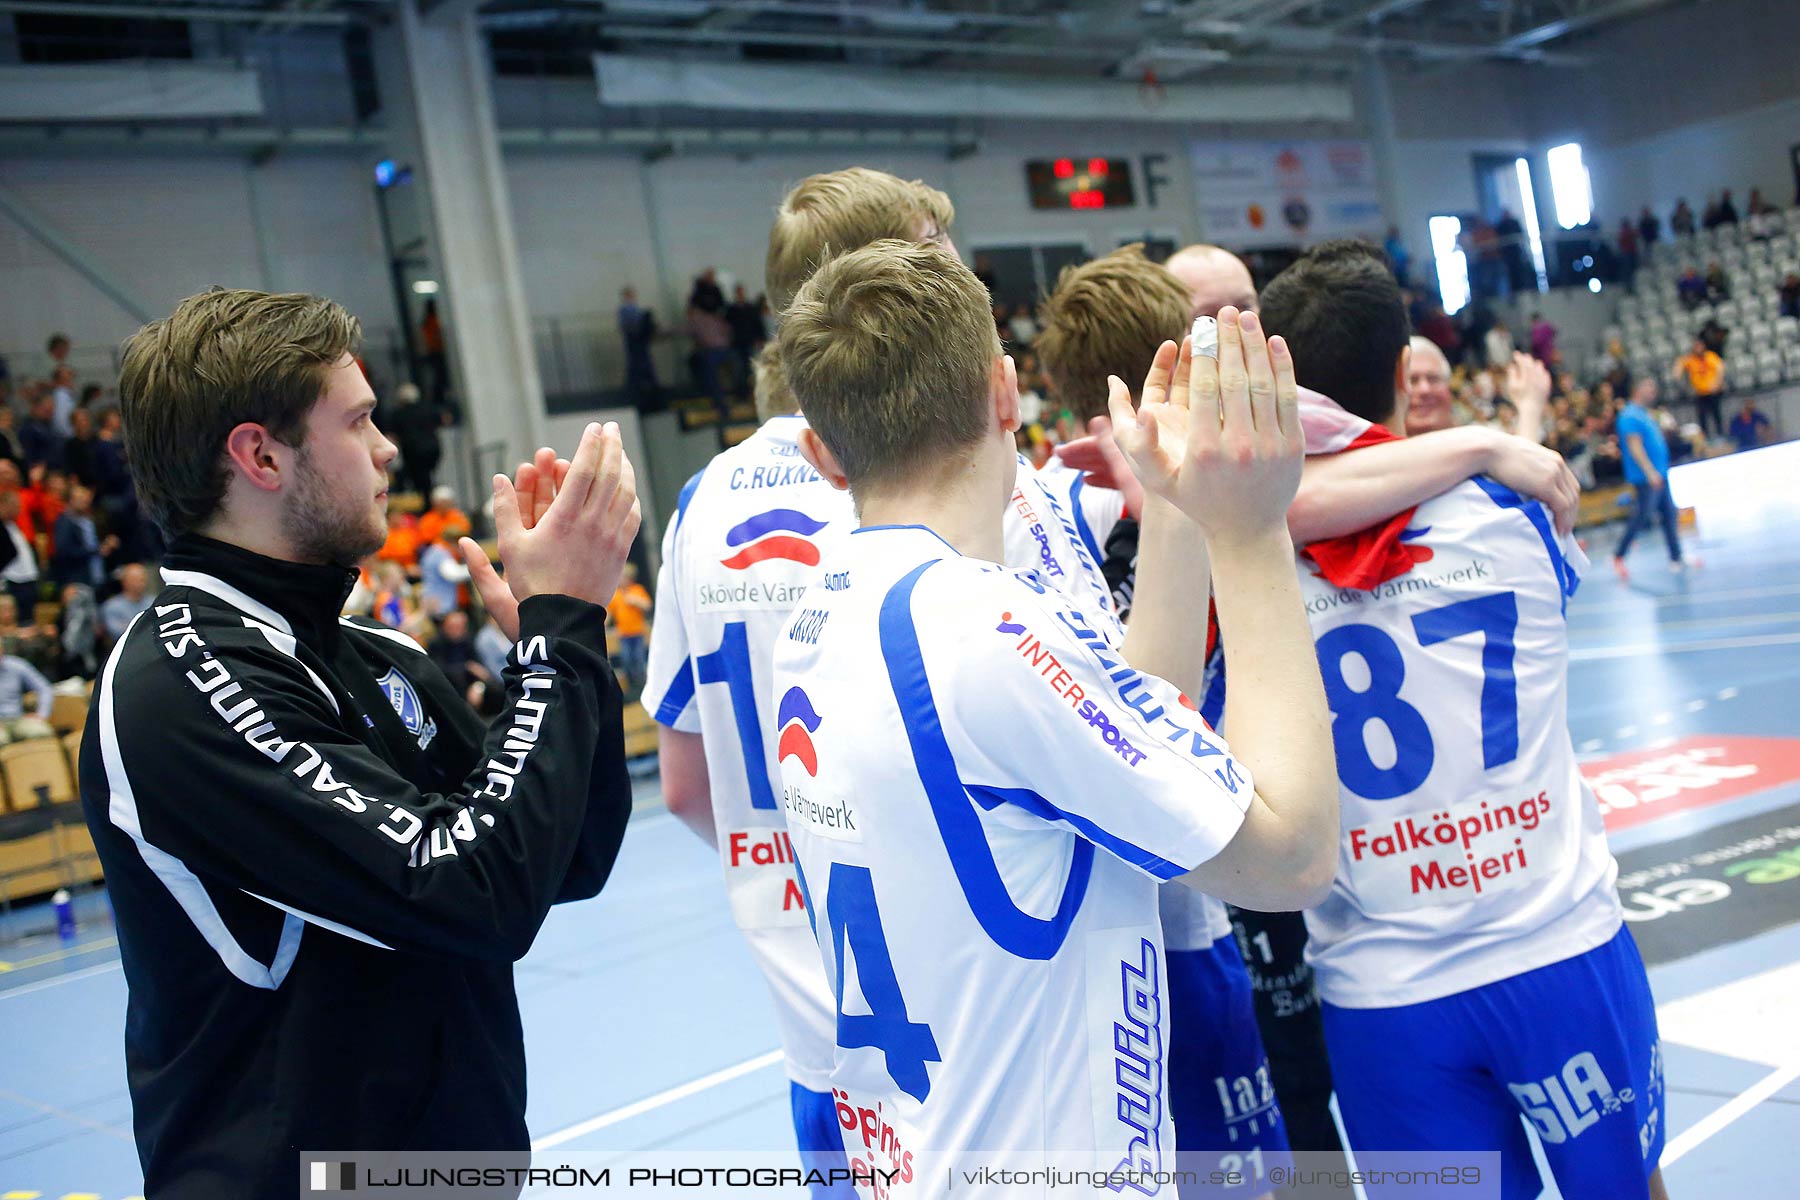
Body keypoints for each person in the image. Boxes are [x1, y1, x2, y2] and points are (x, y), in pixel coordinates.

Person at [774, 238, 1336, 1180]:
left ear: (822, 451)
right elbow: (1294, 857)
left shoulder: (817, 616)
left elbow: (1138, 729)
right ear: (1007, 394)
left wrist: (1176, 505)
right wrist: (1249, 529)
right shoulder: (980, 628)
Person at [82, 287, 640, 1199]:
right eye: (361, 421)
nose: (389, 449)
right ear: (260, 454)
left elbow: (570, 854)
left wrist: (568, 650)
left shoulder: (373, 652)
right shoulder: (179, 684)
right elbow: (468, 892)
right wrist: (557, 644)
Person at [645, 165, 1106, 1196]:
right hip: (1009, 1033)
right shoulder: (965, 480)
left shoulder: (702, 504)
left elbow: (684, 790)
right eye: (939, 258)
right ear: (884, 285)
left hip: (829, 1038)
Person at [1259, 240, 1670, 1200]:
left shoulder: (1240, 559)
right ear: (1406, 375)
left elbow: (1280, 515)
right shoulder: (1510, 509)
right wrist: (1497, 435)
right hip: (1559, 947)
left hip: (1384, 992)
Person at [1033, 245, 1295, 1195]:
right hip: (1188, 890)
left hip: (1121, 924)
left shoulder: (1039, 503)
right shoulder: (1108, 505)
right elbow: (1156, 704)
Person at [1614, 376, 1688, 579]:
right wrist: (1650, 472)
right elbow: (1635, 447)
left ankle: (1676, 557)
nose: (1653, 391)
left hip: (1660, 473)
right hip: (1647, 477)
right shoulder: (1629, 415)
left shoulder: (1646, 414)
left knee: (1669, 515)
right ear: (1638, 389)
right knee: (1641, 516)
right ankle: (1619, 555)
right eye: (1649, 387)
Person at [388, 381, 445, 498]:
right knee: (426, 477)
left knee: (419, 479)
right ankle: (430, 497)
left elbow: (392, 434)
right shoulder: (427, 408)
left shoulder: (399, 414)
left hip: (414, 452)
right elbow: (443, 420)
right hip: (433, 449)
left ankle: (427, 501)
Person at [50, 483, 112, 590]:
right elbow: (64, 551)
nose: (84, 501)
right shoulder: (64, 522)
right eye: (79, 498)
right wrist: (95, 551)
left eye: (85, 498)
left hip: (96, 576)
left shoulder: (90, 521)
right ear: (70, 500)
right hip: (77, 580)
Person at [605, 561, 650, 695]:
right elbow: (609, 613)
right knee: (626, 660)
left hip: (637, 633)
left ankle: (642, 686)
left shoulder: (637, 590)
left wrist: (635, 600)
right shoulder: (616, 595)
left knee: (639, 659)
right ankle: (632, 688)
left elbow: (647, 605)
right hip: (624, 635)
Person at [617, 286, 663, 409]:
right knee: (638, 362)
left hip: (638, 340)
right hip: (634, 340)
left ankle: (647, 384)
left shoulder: (633, 309)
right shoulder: (626, 310)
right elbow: (627, 325)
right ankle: (640, 385)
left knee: (640, 362)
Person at [0, 644, 54, 744]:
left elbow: (44, 688)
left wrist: (42, 714)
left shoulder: (16, 665)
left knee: (41, 732)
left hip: (17, 719)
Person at [1673, 337, 1726, 439]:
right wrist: (1677, 373)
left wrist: (1717, 383)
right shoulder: (1691, 359)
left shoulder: (1710, 356)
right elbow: (1680, 365)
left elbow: (1720, 368)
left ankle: (1720, 435)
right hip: (1700, 393)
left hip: (1712, 392)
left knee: (1716, 415)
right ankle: (1706, 437)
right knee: (1702, 417)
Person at [725, 284, 767, 402]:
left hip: (750, 343)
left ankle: (751, 395)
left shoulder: (750, 308)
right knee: (739, 371)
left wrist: (760, 339)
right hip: (737, 344)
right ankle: (742, 395)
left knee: (751, 370)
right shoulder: (731, 310)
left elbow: (758, 325)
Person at [100, 561, 156, 646]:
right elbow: (117, 632)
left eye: (142, 579)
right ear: (124, 582)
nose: (141, 583)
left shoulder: (154, 602)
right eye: (135, 579)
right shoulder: (111, 606)